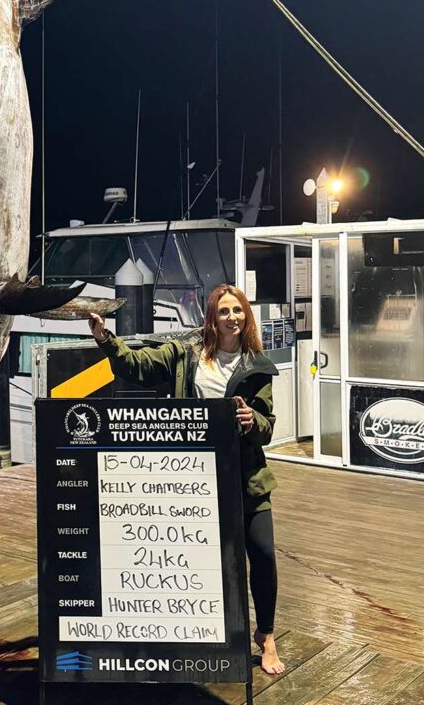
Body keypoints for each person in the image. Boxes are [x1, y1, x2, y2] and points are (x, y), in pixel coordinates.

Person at [88, 283, 285, 675]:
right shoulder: (185, 353)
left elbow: (267, 425)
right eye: (224, 311)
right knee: (203, 558)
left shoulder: (258, 365)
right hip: (195, 477)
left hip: (246, 475)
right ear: (212, 317)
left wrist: (252, 421)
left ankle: (265, 635)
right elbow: (139, 367)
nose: (232, 317)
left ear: (246, 316)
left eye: (238, 310)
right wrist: (105, 340)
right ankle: (202, 631)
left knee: (262, 554)